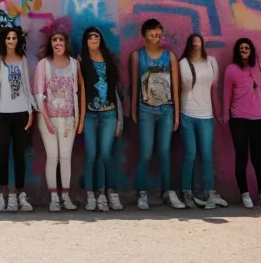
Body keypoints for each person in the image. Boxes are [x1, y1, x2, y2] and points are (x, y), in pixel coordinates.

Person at [130, 18, 185, 210]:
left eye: (159, 32)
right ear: (144, 34)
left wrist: (176, 114)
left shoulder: (170, 56)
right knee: (145, 152)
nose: (157, 35)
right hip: (145, 109)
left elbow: (176, 87)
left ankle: (168, 191)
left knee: (164, 152)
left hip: (167, 110)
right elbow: (134, 85)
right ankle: (141, 193)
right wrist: (133, 110)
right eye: (153, 32)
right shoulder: (137, 56)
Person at [223, 38, 261, 209]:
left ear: (251, 50)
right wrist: (225, 116)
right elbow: (226, 94)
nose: (244, 50)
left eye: (247, 47)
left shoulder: (258, 69)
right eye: (241, 48)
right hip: (238, 118)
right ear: (237, 51)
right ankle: (244, 193)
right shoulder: (231, 69)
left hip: (259, 119)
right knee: (241, 156)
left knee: (258, 158)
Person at [34, 31, 83, 211]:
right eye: (54, 40)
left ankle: (66, 197)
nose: (57, 43)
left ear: (66, 43)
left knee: (65, 157)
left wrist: (78, 119)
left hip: (69, 118)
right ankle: (54, 198)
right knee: (52, 157)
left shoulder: (75, 64)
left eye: (61, 40)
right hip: (48, 117)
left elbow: (77, 91)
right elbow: (38, 94)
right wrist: (46, 120)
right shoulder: (43, 64)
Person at [178, 33, 227, 210]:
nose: (196, 44)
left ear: (203, 44)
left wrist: (218, 113)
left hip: (207, 116)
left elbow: (214, 89)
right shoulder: (182, 63)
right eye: (193, 42)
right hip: (187, 114)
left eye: (198, 41)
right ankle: (187, 192)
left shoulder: (211, 62)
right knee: (190, 154)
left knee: (206, 155)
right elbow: (178, 89)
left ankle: (209, 192)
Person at [78, 27, 123, 211]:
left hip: (109, 113)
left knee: (106, 154)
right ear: (86, 41)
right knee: (91, 155)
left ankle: (108, 193)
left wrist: (119, 119)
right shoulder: (81, 61)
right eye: (90, 37)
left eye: (97, 36)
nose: (94, 39)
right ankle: (91, 194)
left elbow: (116, 91)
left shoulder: (109, 59)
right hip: (89, 114)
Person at [0, 27, 34, 212]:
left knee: (19, 155)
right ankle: (2, 194)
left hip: (21, 112)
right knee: (2, 154)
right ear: (4, 40)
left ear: (18, 40)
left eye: (14, 38)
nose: (11, 41)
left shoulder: (22, 59)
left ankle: (19, 195)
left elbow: (27, 87)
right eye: (8, 38)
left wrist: (30, 112)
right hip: (2, 113)